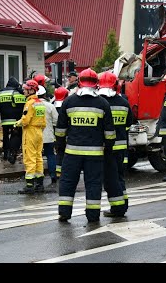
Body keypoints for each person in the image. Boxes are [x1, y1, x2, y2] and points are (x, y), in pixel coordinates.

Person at [55, 68, 115, 223]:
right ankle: (93, 216)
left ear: (79, 82)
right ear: (96, 84)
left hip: (72, 153)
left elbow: (60, 130)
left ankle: (64, 212)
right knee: (93, 184)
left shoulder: (69, 101)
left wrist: (60, 148)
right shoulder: (103, 104)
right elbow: (110, 133)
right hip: (95, 154)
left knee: (67, 182)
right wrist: (107, 150)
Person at [98, 71, 133, 217]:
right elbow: (128, 124)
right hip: (121, 147)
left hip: (107, 148)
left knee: (110, 180)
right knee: (119, 177)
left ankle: (117, 209)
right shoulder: (124, 103)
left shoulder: (100, 102)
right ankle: (123, 204)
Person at [14, 79, 46, 194]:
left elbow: (25, 120)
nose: (23, 91)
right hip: (39, 132)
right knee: (38, 157)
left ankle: (29, 185)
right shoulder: (40, 103)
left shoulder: (29, 103)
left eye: (25, 89)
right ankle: (40, 184)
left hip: (30, 132)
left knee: (29, 157)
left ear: (32, 90)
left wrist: (17, 123)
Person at [0, 77, 26, 163]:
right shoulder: (17, 93)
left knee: (5, 136)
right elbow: (22, 106)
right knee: (15, 136)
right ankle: (12, 153)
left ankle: (5, 154)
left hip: (5, 119)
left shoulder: (0, 92)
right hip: (15, 120)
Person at [37, 85, 59, 186]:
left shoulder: (31, 105)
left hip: (35, 136)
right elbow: (56, 120)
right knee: (50, 155)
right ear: (44, 94)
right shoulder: (50, 106)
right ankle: (53, 176)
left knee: (37, 157)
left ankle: (38, 178)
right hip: (48, 136)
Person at [53, 86, 69, 178]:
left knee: (59, 152)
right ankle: (65, 172)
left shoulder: (53, 106)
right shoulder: (67, 106)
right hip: (66, 135)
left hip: (55, 135)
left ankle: (58, 172)